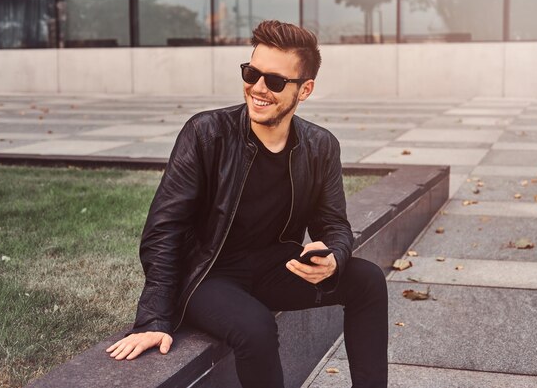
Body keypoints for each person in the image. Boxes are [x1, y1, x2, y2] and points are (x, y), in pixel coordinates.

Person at [107, 20, 388, 388]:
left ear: (305, 90)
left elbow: (333, 222)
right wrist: (153, 319)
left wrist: (334, 255)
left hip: (274, 266)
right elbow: (164, 230)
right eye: (251, 72)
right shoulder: (206, 134)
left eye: (274, 81)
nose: (257, 88)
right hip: (208, 274)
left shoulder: (321, 146)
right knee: (255, 327)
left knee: (368, 280)